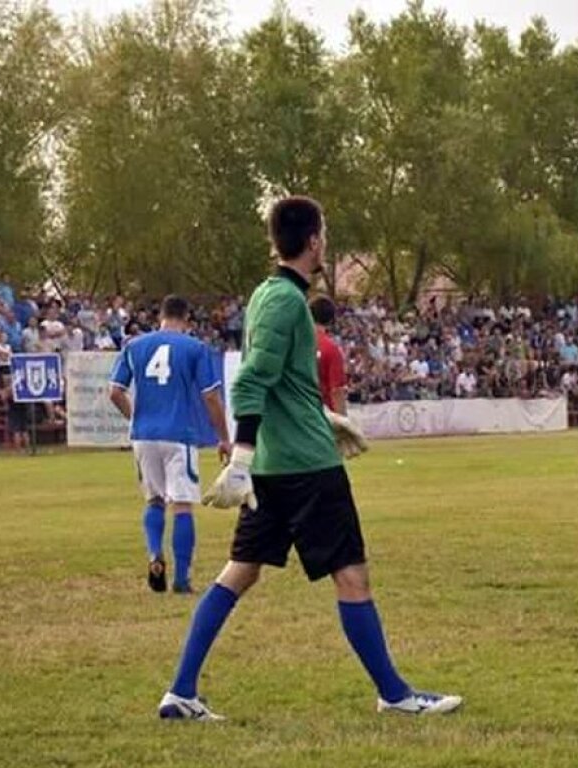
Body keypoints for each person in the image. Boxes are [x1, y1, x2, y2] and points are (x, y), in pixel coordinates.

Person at [158, 196, 459, 722]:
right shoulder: (285, 301)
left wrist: (321, 415)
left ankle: (181, 691)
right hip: (304, 469)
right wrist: (242, 456)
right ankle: (394, 694)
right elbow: (252, 380)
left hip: (277, 465)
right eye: (325, 235)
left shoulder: (268, 295)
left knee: (240, 573)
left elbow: (279, 381)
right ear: (314, 241)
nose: (326, 243)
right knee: (352, 577)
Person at [109, 295, 232, 595]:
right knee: (182, 504)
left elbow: (115, 392)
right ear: (187, 319)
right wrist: (224, 438)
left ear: (160, 317)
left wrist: (135, 417)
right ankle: (181, 579)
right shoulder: (195, 348)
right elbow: (211, 396)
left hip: (144, 435)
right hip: (178, 434)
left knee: (154, 501)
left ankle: (155, 554)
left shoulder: (134, 345)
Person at [310, 296, 348, 415]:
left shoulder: (295, 344)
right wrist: (343, 419)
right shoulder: (331, 349)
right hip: (322, 416)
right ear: (331, 320)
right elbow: (337, 391)